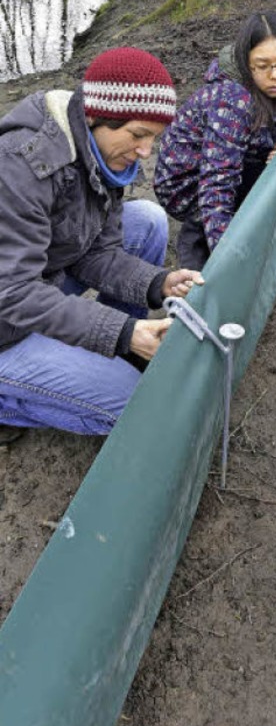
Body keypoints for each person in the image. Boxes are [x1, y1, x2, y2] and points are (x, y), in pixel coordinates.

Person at [0, 47, 204, 442]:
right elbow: (14, 292)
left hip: (40, 281)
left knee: (147, 220)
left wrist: (158, 283)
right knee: (134, 406)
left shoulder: (99, 154)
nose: (146, 152)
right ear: (98, 116)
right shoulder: (21, 164)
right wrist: (121, 330)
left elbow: (97, 252)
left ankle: (120, 353)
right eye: (138, 135)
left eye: (153, 138)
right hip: (6, 321)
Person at [154, 10, 276, 271]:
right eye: (262, 66)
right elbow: (217, 184)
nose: (275, 75)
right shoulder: (233, 101)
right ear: (247, 65)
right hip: (186, 184)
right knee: (215, 214)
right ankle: (195, 247)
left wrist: (272, 151)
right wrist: (230, 264)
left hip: (226, 159)